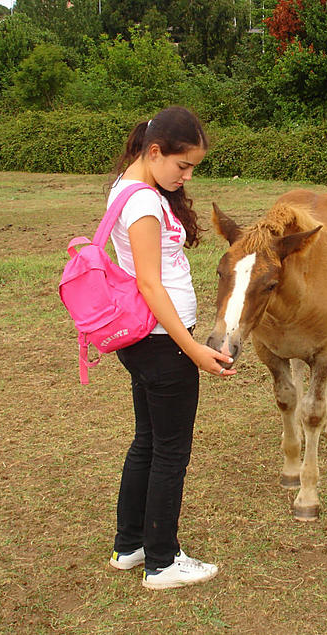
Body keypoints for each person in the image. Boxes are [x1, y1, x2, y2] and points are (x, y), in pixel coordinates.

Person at [105, 106, 235, 590]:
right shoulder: (142, 203)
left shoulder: (130, 186)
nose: (187, 176)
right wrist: (193, 349)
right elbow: (149, 285)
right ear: (154, 152)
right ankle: (162, 560)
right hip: (163, 344)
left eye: (193, 167)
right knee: (170, 452)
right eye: (183, 165)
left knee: (149, 441)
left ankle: (131, 545)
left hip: (149, 342)